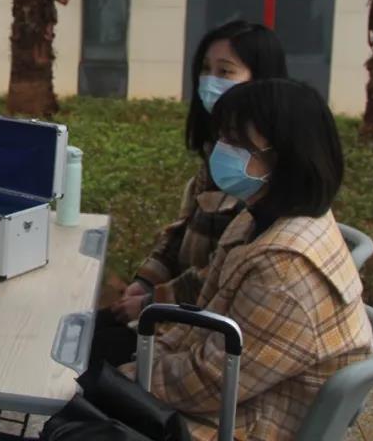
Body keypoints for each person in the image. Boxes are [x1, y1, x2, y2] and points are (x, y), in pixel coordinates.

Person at [121, 78, 373, 441]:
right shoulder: (259, 218)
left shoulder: (285, 271)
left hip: (241, 424)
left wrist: (126, 376)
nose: (221, 151)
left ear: (286, 156)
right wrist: (145, 359)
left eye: (237, 143)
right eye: (223, 138)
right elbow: (205, 314)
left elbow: (210, 382)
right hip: (236, 400)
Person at [92, 20, 287, 368]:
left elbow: (221, 277)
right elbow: (181, 230)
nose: (210, 81)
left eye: (225, 72)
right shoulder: (219, 154)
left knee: (85, 353)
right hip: (170, 311)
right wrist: (145, 281)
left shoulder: (257, 168)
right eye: (205, 70)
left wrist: (152, 302)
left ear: (261, 80)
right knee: (80, 331)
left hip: (196, 330)